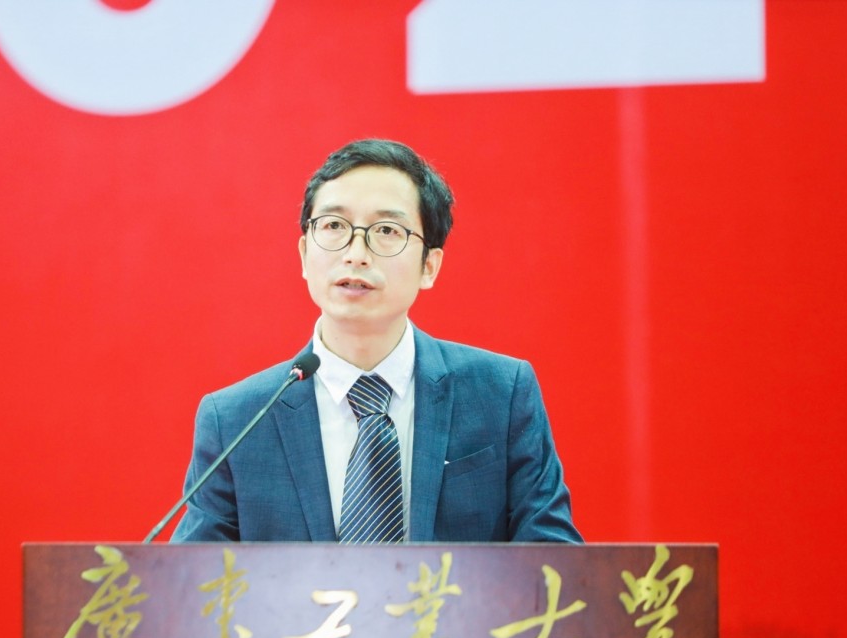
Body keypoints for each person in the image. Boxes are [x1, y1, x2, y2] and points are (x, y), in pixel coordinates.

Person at [171, 139, 581, 544]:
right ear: (304, 254)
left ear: (429, 265)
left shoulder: (501, 394)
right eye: (334, 225)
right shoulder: (236, 419)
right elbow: (191, 578)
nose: (356, 254)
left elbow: (554, 560)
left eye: (386, 230)